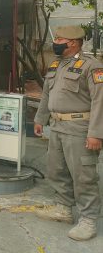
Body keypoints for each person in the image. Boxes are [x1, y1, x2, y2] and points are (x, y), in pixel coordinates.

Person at [33, 25, 102, 241]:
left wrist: (96, 133)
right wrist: (40, 119)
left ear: (72, 42)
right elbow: (46, 94)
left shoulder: (92, 66)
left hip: (79, 129)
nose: (55, 42)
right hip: (57, 126)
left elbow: (100, 101)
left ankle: (88, 219)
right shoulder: (56, 64)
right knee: (57, 170)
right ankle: (63, 208)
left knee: (83, 176)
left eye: (59, 39)